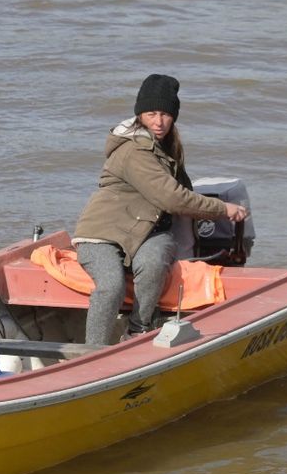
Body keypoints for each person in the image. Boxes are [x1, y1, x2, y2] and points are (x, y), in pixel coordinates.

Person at [72, 74, 249, 346]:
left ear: (173, 116)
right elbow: (173, 199)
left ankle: (138, 331)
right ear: (139, 114)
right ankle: (90, 353)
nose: (158, 121)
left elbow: (184, 191)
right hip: (102, 232)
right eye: (151, 113)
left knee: (154, 262)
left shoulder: (166, 148)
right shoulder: (134, 151)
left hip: (147, 230)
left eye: (165, 114)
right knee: (111, 286)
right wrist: (223, 208)